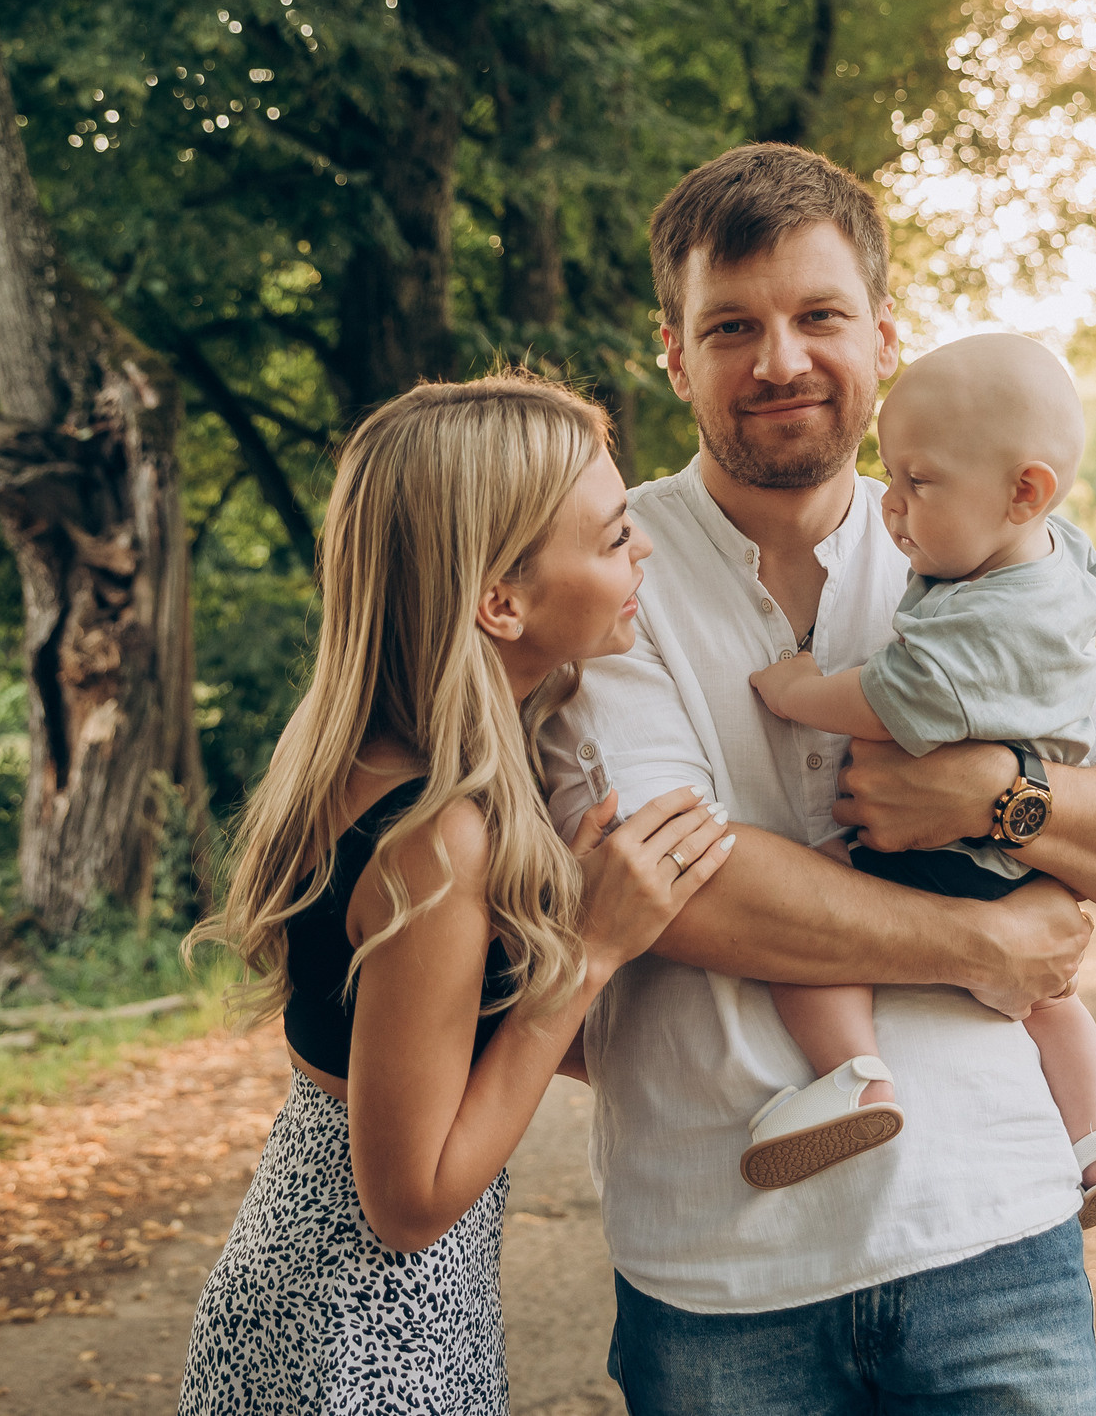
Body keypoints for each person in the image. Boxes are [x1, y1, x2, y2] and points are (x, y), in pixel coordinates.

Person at [537, 143, 1096, 1415]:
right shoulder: (604, 562)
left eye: (818, 315)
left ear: (883, 336)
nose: (781, 359)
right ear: (674, 356)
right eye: (731, 326)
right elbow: (680, 887)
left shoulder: (981, 555)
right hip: (720, 1266)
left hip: (998, 1234)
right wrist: (986, 940)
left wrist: (996, 800)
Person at [177, 376, 733, 1415]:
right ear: (500, 601)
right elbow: (409, 1200)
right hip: (362, 1335)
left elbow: (450, 1045)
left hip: (321, 1302)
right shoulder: (437, 839)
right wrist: (593, 954)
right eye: (614, 537)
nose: (642, 550)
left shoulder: (397, 769)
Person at [743, 332, 1096, 1233]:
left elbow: (890, 701)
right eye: (890, 477)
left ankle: (855, 1079)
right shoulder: (1058, 563)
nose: (892, 507)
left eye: (919, 483)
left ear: (1023, 492)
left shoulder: (985, 620)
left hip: (949, 854)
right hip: (1022, 866)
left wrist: (796, 686)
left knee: (803, 935)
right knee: (1056, 1005)